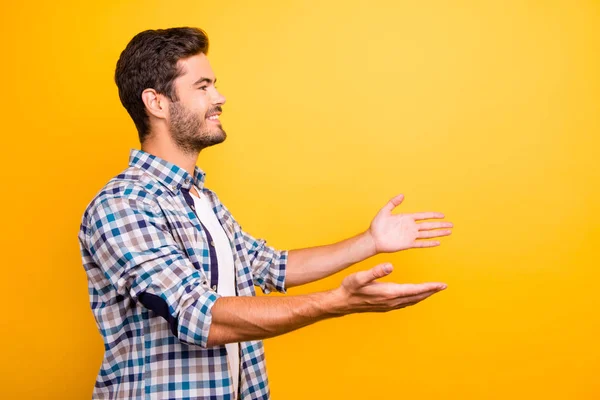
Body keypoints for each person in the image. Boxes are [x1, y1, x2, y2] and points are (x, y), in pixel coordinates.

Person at [78, 27, 454, 400]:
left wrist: (370, 242)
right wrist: (335, 304)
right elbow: (198, 314)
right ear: (156, 103)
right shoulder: (123, 204)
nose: (219, 97)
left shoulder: (201, 199)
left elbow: (270, 266)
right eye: (202, 86)